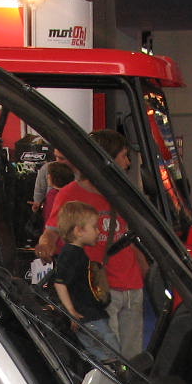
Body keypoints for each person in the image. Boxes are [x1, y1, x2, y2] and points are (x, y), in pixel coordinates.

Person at [35, 129, 145, 360]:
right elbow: (53, 231)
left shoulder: (122, 193)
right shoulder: (70, 194)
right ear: (107, 158)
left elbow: (126, 235)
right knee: (110, 357)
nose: (126, 163)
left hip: (132, 284)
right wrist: (45, 245)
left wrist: (145, 270)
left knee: (133, 357)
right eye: (123, 156)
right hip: (100, 289)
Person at [46, 200, 114, 358]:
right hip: (87, 316)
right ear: (79, 231)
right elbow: (60, 282)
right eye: (94, 227)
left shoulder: (75, 253)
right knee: (110, 353)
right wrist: (71, 311)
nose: (98, 231)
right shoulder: (71, 254)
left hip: (90, 315)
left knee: (103, 353)